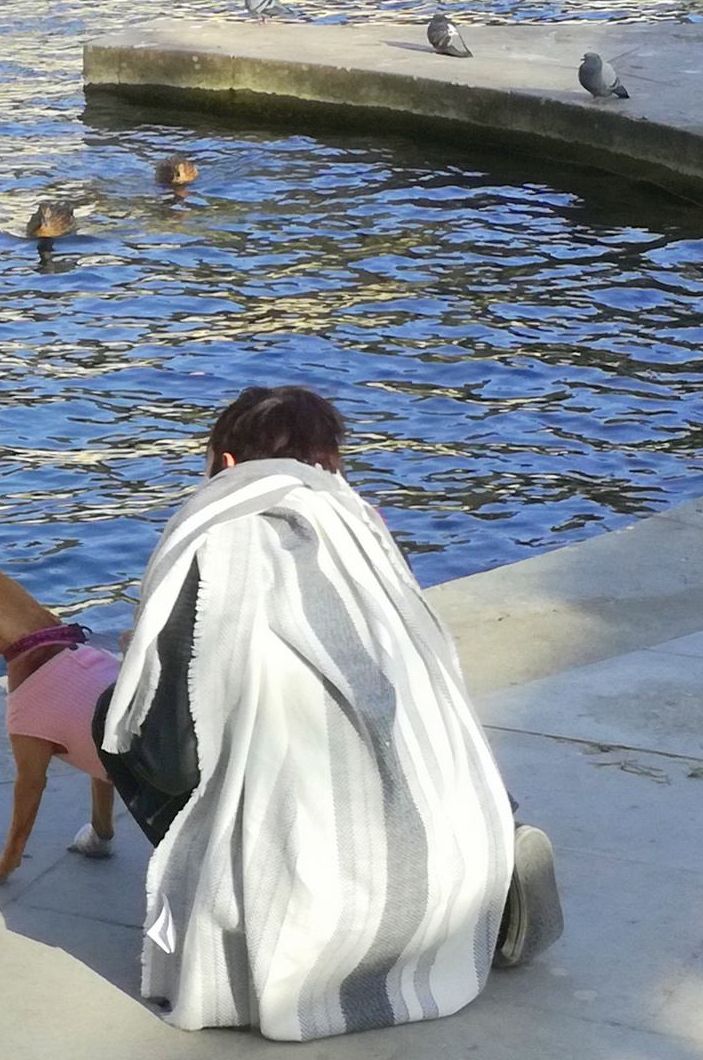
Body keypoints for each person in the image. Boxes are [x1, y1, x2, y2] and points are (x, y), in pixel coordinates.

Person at [94, 385, 561, 1042]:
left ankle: (235, 897)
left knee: (113, 714)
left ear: (225, 465)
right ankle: (493, 852)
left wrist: (146, 665)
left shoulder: (213, 539)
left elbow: (171, 761)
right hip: (449, 861)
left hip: (310, 896)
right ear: (331, 464)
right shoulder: (362, 526)